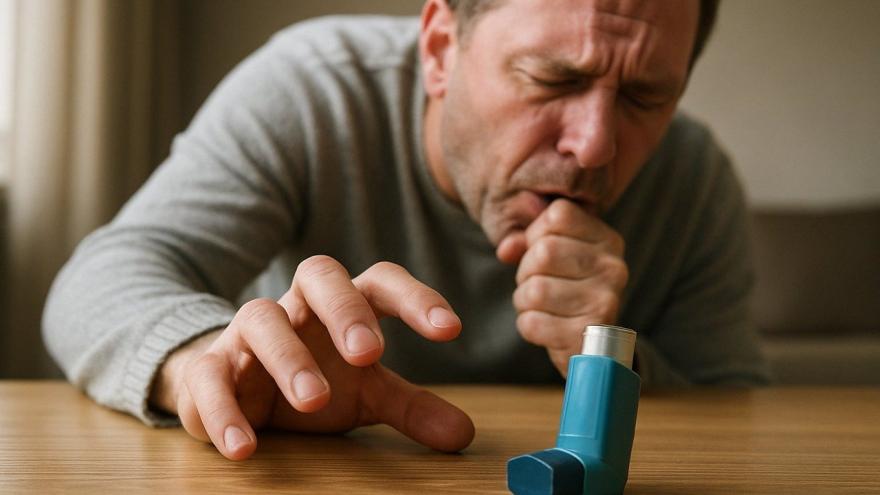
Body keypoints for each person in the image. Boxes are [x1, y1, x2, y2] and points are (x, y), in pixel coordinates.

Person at [43, 0, 770, 461]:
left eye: (646, 95)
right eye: (551, 79)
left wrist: (612, 365)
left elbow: (738, 412)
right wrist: (207, 364)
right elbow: (101, 276)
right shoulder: (313, 90)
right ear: (439, 49)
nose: (595, 145)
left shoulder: (693, 178)